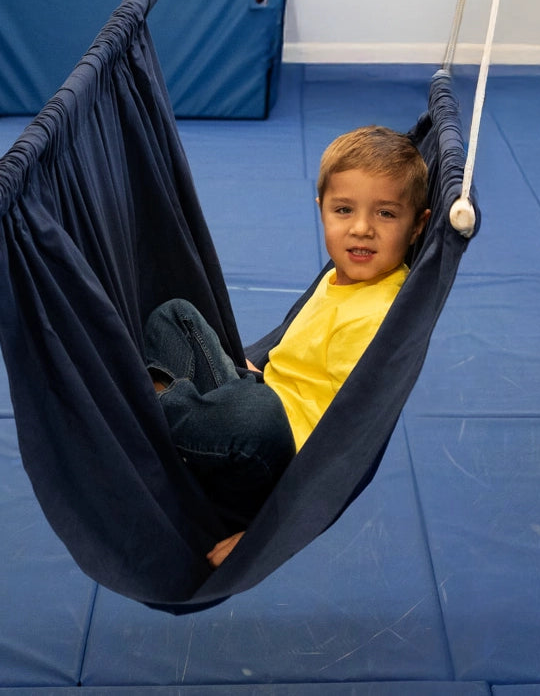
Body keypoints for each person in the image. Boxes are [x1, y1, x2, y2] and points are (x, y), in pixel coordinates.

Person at [144, 125, 431, 567]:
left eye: (386, 215)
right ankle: (174, 416)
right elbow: (297, 360)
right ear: (322, 212)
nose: (361, 229)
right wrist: (251, 372)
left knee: (255, 414)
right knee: (176, 314)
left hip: (275, 461)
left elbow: (344, 453)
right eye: (343, 210)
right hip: (253, 393)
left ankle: (142, 411)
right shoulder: (338, 276)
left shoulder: (387, 313)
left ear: (418, 227)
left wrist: (267, 533)